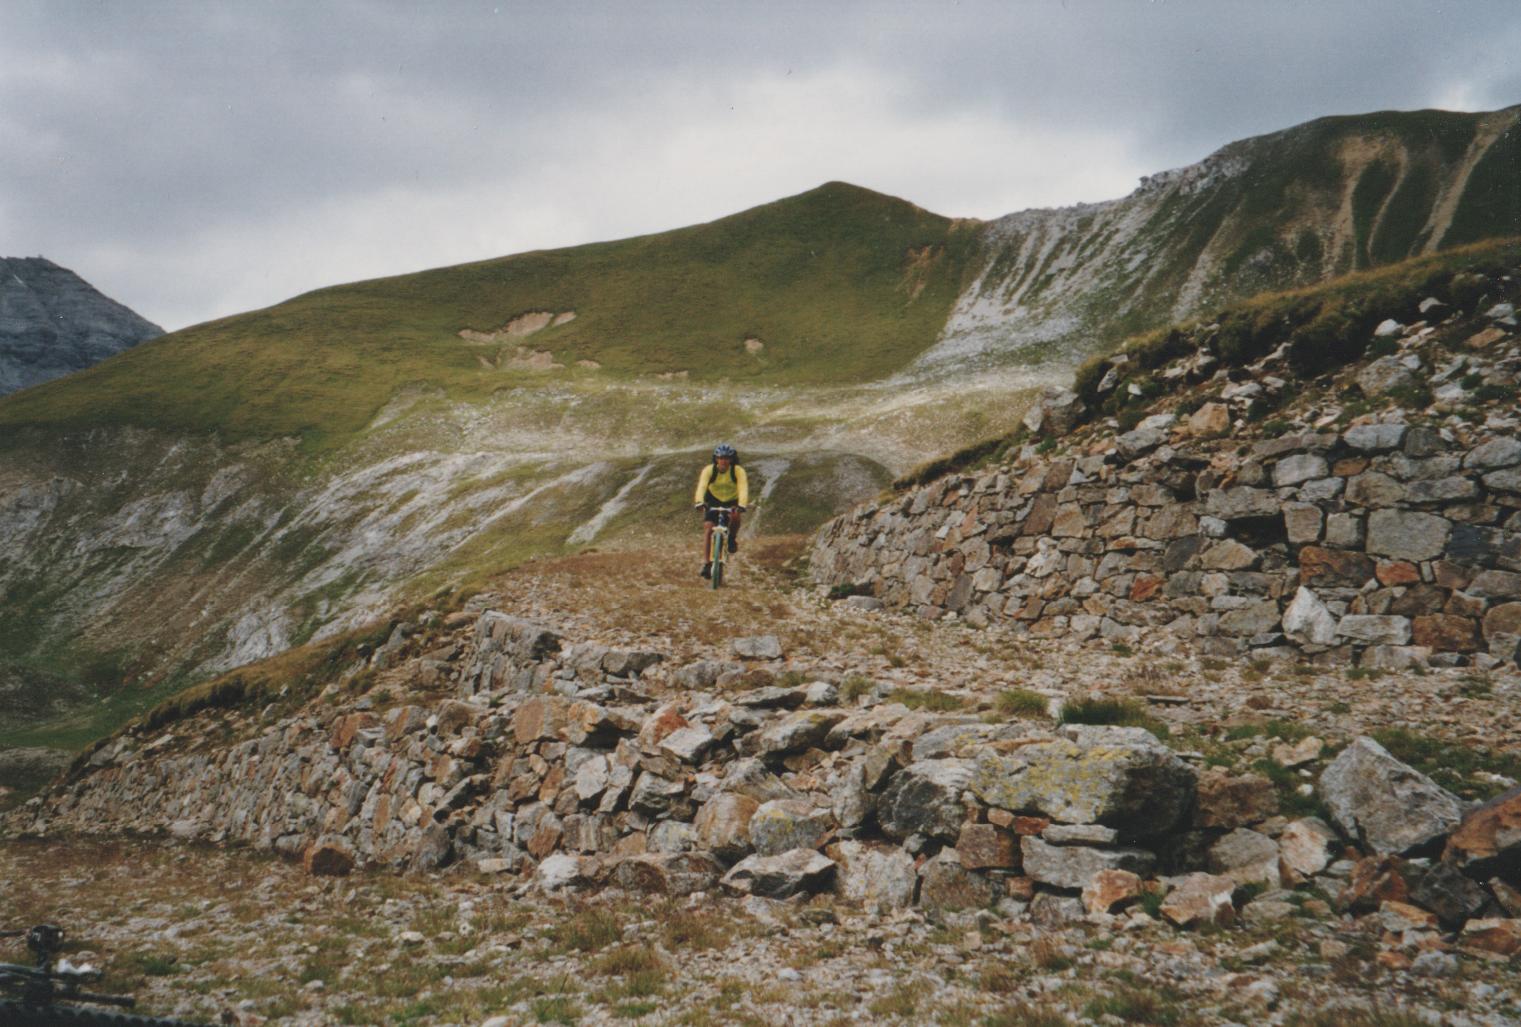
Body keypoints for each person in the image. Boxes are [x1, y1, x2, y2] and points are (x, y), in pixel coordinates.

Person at [693, 443, 748, 579]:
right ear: (716, 459)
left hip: (732, 500)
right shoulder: (709, 470)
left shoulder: (738, 471)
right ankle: (707, 564)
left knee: (735, 516)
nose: (723, 460)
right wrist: (699, 502)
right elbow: (701, 486)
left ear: (731, 459)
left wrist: (742, 505)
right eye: (720, 458)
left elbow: (743, 488)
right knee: (708, 529)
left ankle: (731, 539)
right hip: (713, 500)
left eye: (726, 458)